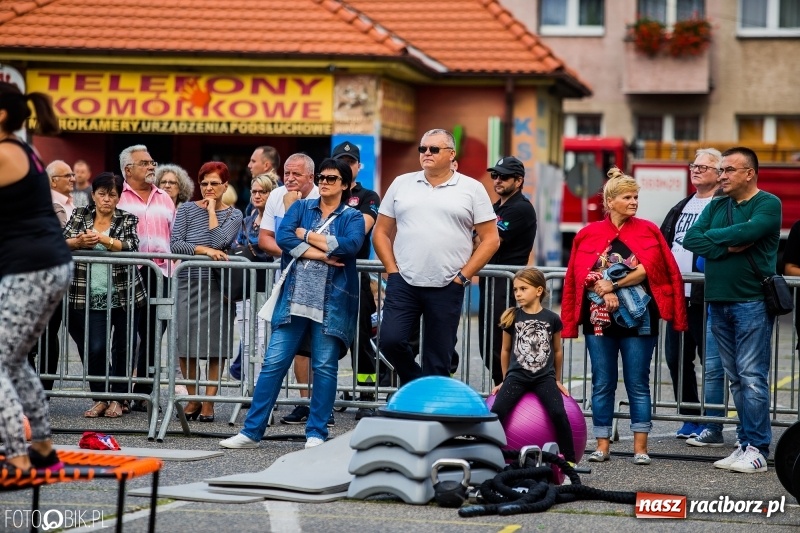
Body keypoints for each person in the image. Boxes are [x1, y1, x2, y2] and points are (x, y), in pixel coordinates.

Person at [220, 157, 364, 449]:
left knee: (324, 367)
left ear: (345, 185)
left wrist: (306, 235)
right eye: (322, 177)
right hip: (293, 300)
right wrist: (321, 254)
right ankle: (251, 432)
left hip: (331, 304)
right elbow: (284, 238)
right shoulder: (300, 208)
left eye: (332, 178)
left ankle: (316, 432)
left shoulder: (352, 217)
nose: (324, 182)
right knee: (273, 364)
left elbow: (349, 246)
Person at [561, 167, 687, 466]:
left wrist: (613, 284)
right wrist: (602, 289)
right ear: (610, 201)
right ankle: (601, 445)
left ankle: (640, 448)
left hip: (641, 319)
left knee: (638, 382)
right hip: (599, 319)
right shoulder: (588, 233)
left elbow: (652, 268)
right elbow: (578, 275)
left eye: (635, 197)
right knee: (602, 382)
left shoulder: (648, 230)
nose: (634, 202)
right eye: (627, 197)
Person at [372, 128, 499, 385]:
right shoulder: (401, 183)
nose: (426, 153)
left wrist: (463, 277)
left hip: (448, 284)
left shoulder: (472, 188)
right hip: (404, 282)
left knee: (438, 356)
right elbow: (381, 232)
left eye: (434, 149)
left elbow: (491, 239)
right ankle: (418, 381)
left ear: (451, 154)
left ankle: (430, 402)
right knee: (390, 340)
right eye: (423, 148)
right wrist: (392, 271)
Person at [684, 147, 781, 474]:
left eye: (728, 170)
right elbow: (692, 239)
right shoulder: (717, 204)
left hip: (751, 301)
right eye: (721, 170)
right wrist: (727, 246)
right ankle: (744, 443)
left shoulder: (768, 203)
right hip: (718, 301)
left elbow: (750, 232)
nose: (721, 176)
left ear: (749, 173)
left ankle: (758, 449)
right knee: (736, 379)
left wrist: (715, 241)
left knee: (752, 377)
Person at [0, 81, 72, 473]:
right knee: (12, 360)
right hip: (49, 263)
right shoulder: (23, 148)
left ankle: (16, 455)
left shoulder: (5, 153)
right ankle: (42, 446)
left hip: (30, 267)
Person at [64, 172, 147, 419]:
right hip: (88, 294)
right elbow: (61, 240)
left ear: (119, 197)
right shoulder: (80, 215)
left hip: (124, 294)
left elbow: (131, 245)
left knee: (123, 348)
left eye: (112, 194)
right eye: (102, 194)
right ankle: (101, 397)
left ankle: (118, 399)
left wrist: (104, 240)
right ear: (93, 195)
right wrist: (79, 242)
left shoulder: (127, 218)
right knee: (95, 348)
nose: (107, 199)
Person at [171, 161, 243, 422]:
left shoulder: (234, 215)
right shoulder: (187, 209)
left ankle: (209, 402)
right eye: (204, 183)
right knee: (185, 344)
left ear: (225, 185)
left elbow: (220, 241)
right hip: (187, 282)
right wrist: (204, 251)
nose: (209, 188)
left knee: (216, 345)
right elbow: (175, 244)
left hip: (218, 286)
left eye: (214, 183)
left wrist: (212, 210)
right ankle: (193, 398)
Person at [659, 148, 722, 439]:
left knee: (711, 363)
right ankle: (689, 416)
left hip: (706, 297)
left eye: (703, 167)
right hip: (678, 297)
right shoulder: (681, 205)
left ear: (719, 174)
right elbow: (664, 243)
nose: (696, 170)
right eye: (694, 165)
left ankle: (712, 421)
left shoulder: (722, 206)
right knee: (676, 358)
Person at [257, 153, 322, 425]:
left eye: (297, 174)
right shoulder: (277, 195)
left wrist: (294, 246)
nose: (290, 179)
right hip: (287, 279)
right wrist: (296, 251)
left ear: (311, 176)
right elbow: (265, 239)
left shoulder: (321, 195)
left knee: (320, 347)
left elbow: (322, 242)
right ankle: (303, 402)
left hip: (319, 281)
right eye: (287, 173)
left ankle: (321, 407)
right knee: (289, 349)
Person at [489, 268, 575, 463]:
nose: (518, 294)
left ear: (538, 290)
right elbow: (505, 350)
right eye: (515, 289)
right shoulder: (512, 317)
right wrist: (505, 379)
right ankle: (488, 456)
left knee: (559, 413)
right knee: (497, 412)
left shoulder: (552, 318)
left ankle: (569, 460)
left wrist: (557, 380)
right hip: (516, 377)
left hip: (544, 378)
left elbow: (557, 351)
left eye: (523, 289)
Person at [117, 145, 175, 412]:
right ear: (128, 169)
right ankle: (118, 393)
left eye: (153, 162)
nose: (152, 166)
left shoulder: (164, 198)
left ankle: (144, 393)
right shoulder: (118, 196)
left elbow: (174, 236)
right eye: (145, 163)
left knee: (153, 335)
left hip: (160, 273)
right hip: (128, 272)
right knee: (125, 334)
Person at [478, 156, 537, 386]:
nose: (497, 180)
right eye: (495, 175)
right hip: (492, 281)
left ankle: (510, 391)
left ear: (518, 180)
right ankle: (501, 388)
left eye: (504, 176)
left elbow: (488, 241)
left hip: (508, 284)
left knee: (500, 344)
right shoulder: (497, 207)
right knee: (488, 343)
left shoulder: (520, 208)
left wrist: (476, 237)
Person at [26, 160, 75, 390]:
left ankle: (43, 389)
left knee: (47, 336)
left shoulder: (67, 204)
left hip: (60, 279)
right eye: (68, 175)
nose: (73, 179)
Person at [229, 173, 276, 384]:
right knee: (247, 340)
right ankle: (249, 387)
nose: (257, 195)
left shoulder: (278, 221)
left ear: (272, 194)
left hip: (270, 286)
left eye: (263, 192)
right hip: (246, 287)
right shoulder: (246, 221)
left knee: (264, 340)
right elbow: (236, 248)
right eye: (254, 191)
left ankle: (263, 388)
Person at [47, 160, 76, 226]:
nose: (73, 179)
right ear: (53, 181)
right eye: (67, 176)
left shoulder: (69, 201)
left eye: (72, 175)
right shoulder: (48, 205)